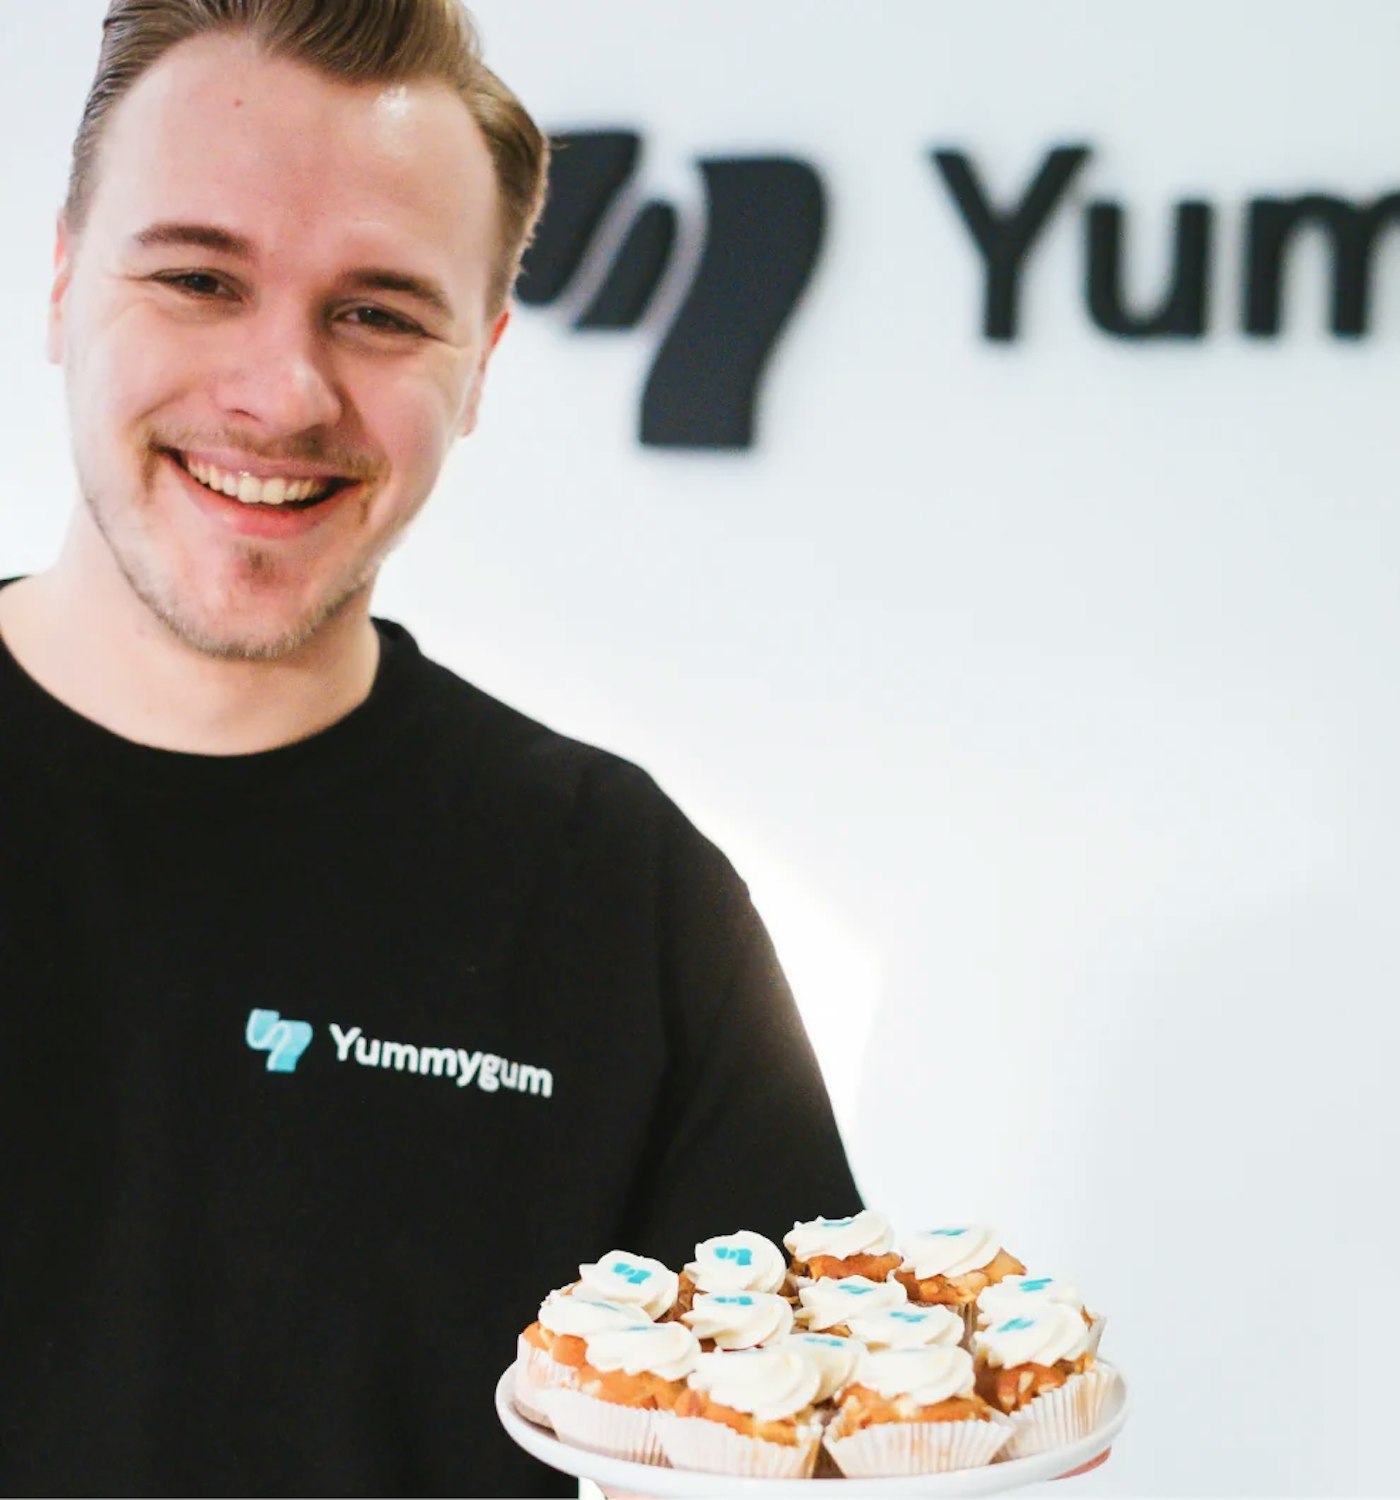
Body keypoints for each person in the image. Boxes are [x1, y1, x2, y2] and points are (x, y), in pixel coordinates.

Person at [0, 2, 862, 1495]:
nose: (283, 394)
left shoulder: (621, 892)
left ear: (479, 366)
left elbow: (805, 1441)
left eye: (380, 312)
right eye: (201, 278)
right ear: (65, 279)